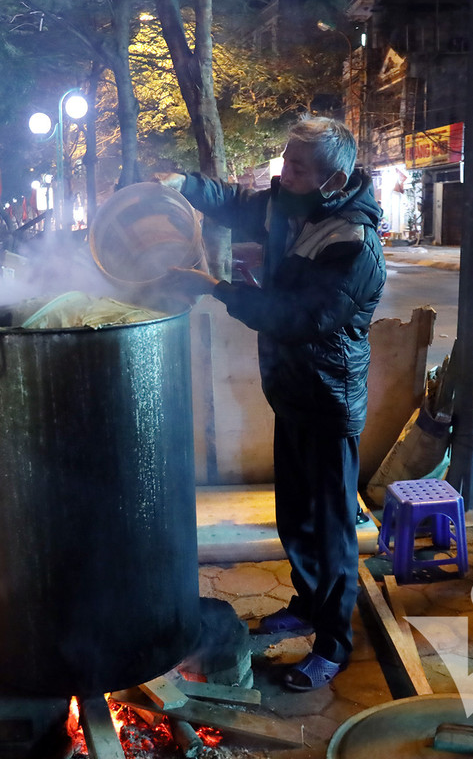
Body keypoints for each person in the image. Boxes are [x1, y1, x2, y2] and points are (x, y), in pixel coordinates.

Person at [160, 116, 386, 691]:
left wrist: (215, 288)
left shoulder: (351, 241)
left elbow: (299, 319)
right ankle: (305, 607)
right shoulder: (290, 202)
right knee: (296, 515)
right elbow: (237, 202)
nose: (286, 173)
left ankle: (333, 645)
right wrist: (181, 185)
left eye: (299, 166)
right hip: (292, 390)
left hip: (328, 397)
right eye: (285, 160)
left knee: (333, 531)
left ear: (332, 179)